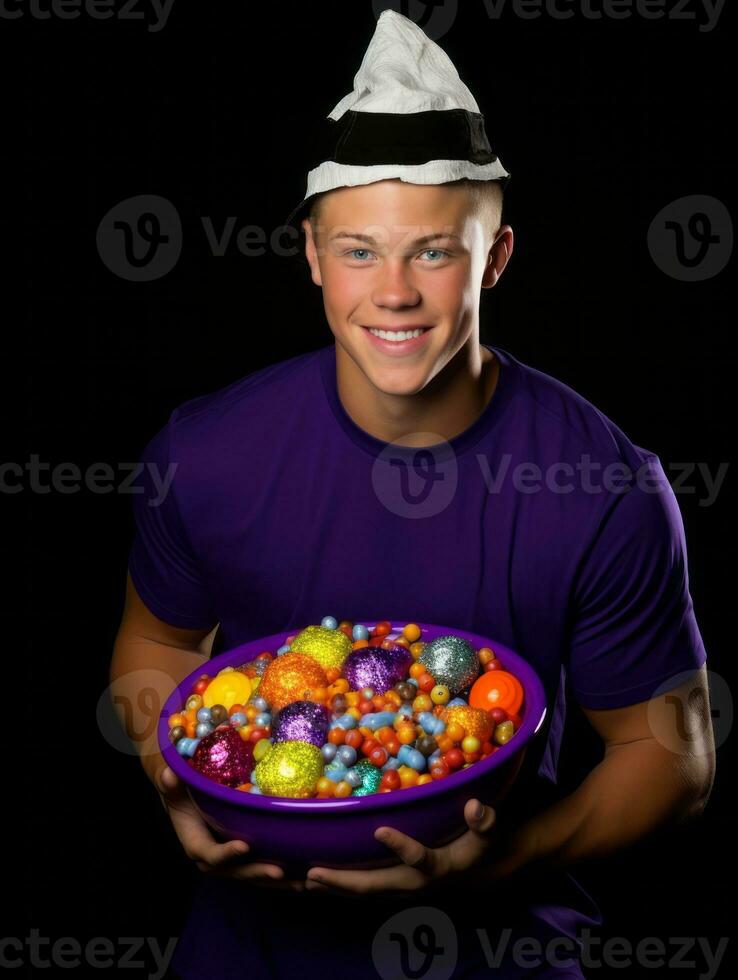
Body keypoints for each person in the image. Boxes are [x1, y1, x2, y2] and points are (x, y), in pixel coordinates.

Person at [109, 10, 715, 979]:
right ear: (312, 256)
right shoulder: (208, 450)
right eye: (359, 250)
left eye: (433, 251)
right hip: (249, 954)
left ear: (497, 257)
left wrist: (496, 862)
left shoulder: (603, 484)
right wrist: (177, 780)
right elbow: (159, 643)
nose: (392, 291)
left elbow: (672, 756)